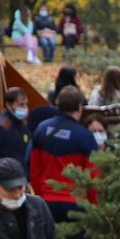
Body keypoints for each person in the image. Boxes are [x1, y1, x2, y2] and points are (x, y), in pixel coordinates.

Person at [27, 87, 100, 222]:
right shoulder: (85, 136)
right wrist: (92, 206)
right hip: (76, 205)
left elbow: (34, 169)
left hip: (47, 201)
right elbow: (93, 176)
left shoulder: (42, 129)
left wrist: (40, 197)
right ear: (79, 107)